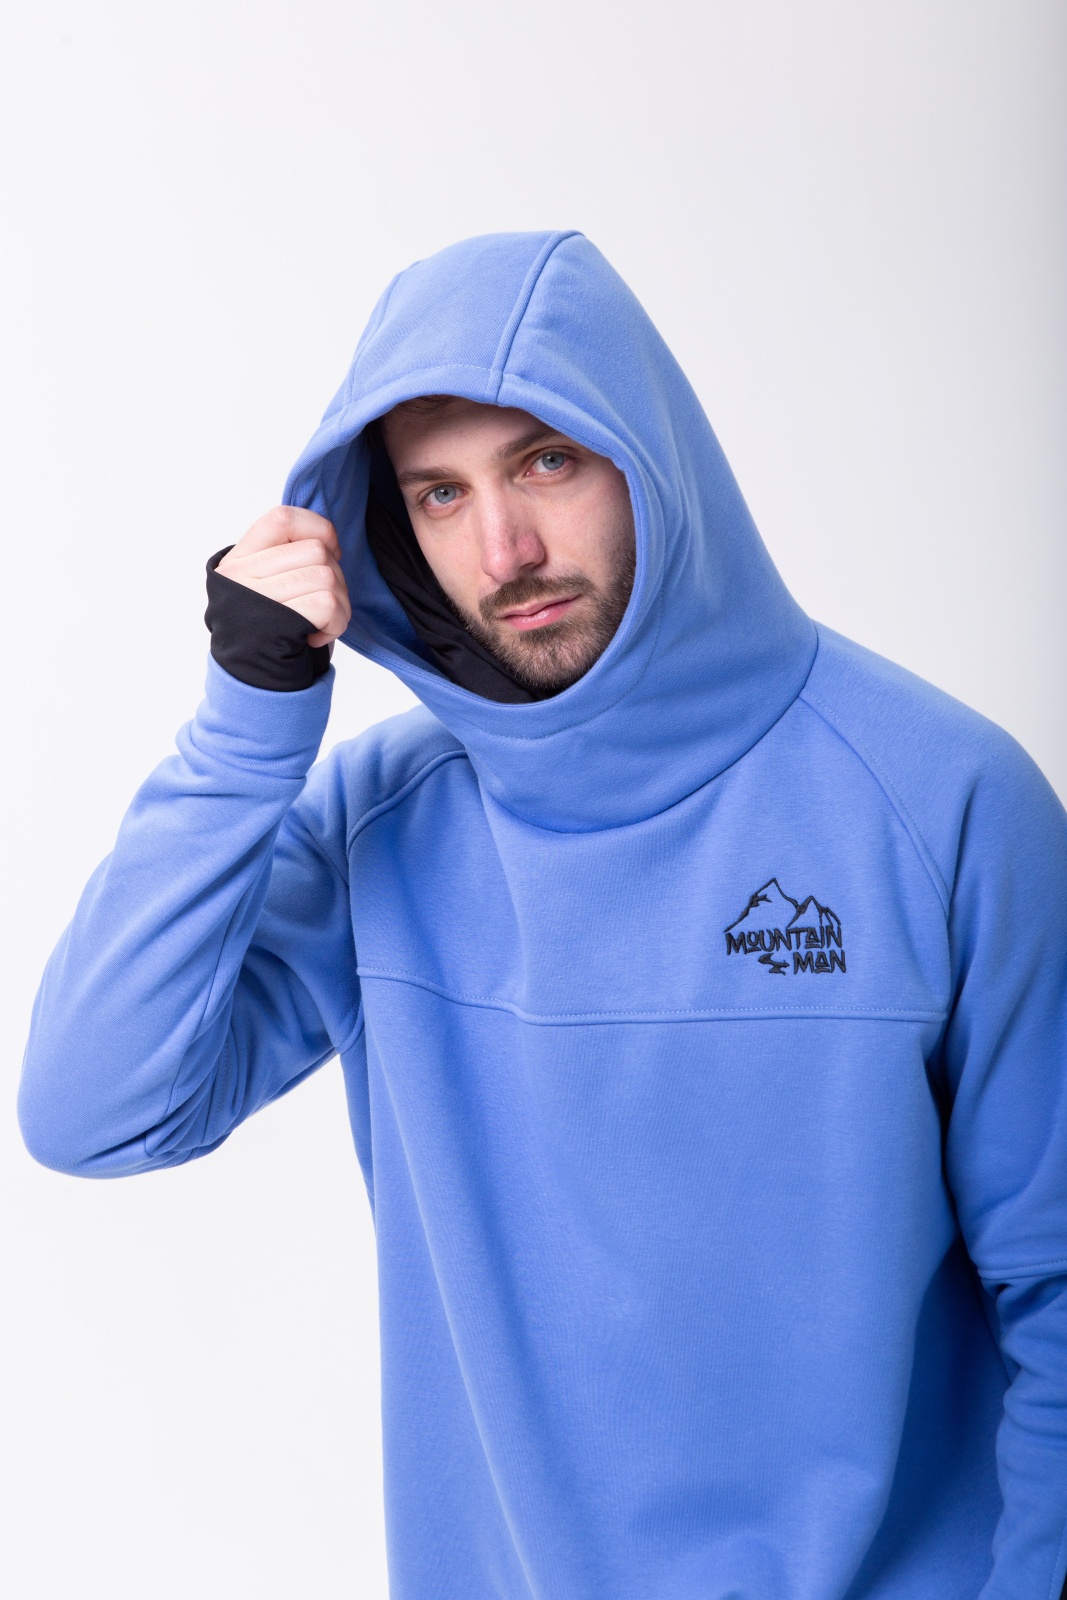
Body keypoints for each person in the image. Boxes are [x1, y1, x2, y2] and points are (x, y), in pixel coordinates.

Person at [18, 230, 1067, 1600]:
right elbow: (93, 1111)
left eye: (548, 463)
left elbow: (1057, 1284)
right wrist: (245, 728)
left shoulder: (945, 800)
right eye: (440, 494)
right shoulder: (382, 824)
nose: (505, 549)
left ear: (652, 459)